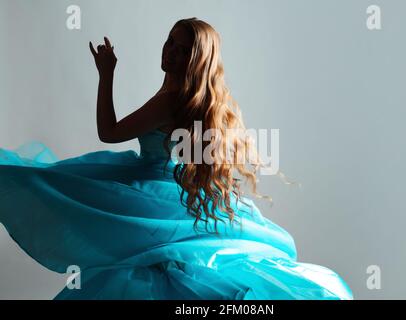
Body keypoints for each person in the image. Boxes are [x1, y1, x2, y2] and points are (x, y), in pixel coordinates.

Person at [0, 17, 353, 300]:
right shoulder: (197, 98)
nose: (170, 52)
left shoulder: (171, 98)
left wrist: (106, 74)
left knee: (147, 265)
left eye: (182, 50)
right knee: (165, 265)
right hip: (173, 189)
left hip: (155, 190)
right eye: (170, 41)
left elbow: (109, 132)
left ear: (196, 59)